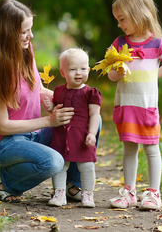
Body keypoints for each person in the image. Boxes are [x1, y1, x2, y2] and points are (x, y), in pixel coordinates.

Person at [0, 0, 80, 203]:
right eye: (25, 31)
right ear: (7, 32)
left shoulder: (26, 51)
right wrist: (48, 121)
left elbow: (40, 90)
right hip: (6, 143)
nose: (31, 36)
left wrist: (74, 100)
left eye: (30, 29)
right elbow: (3, 126)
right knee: (53, 162)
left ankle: (70, 184)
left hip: (34, 134)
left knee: (82, 121)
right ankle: (6, 180)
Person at [107, 0, 162, 210]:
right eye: (117, 20)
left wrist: (151, 77)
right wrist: (118, 72)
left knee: (151, 148)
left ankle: (154, 193)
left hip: (146, 107)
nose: (119, 24)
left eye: (122, 19)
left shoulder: (156, 44)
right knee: (129, 149)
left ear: (138, 13)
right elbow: (109, 73)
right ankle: (129, 192)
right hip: (127, 106)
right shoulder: (119, 44)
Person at [43, 48, 102, 208]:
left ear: (88, 70)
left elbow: (95, 114)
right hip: (62, 134)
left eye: (83, 69)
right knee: (61, 165)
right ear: (63, 72)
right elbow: (56, 110)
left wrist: (92, 133)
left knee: (87, 165)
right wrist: (51, 107)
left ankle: (87, 194)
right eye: (73, 69)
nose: (78, 73)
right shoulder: (59, 90)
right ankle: (60, 192)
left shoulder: (91, 92)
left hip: (82, 135)